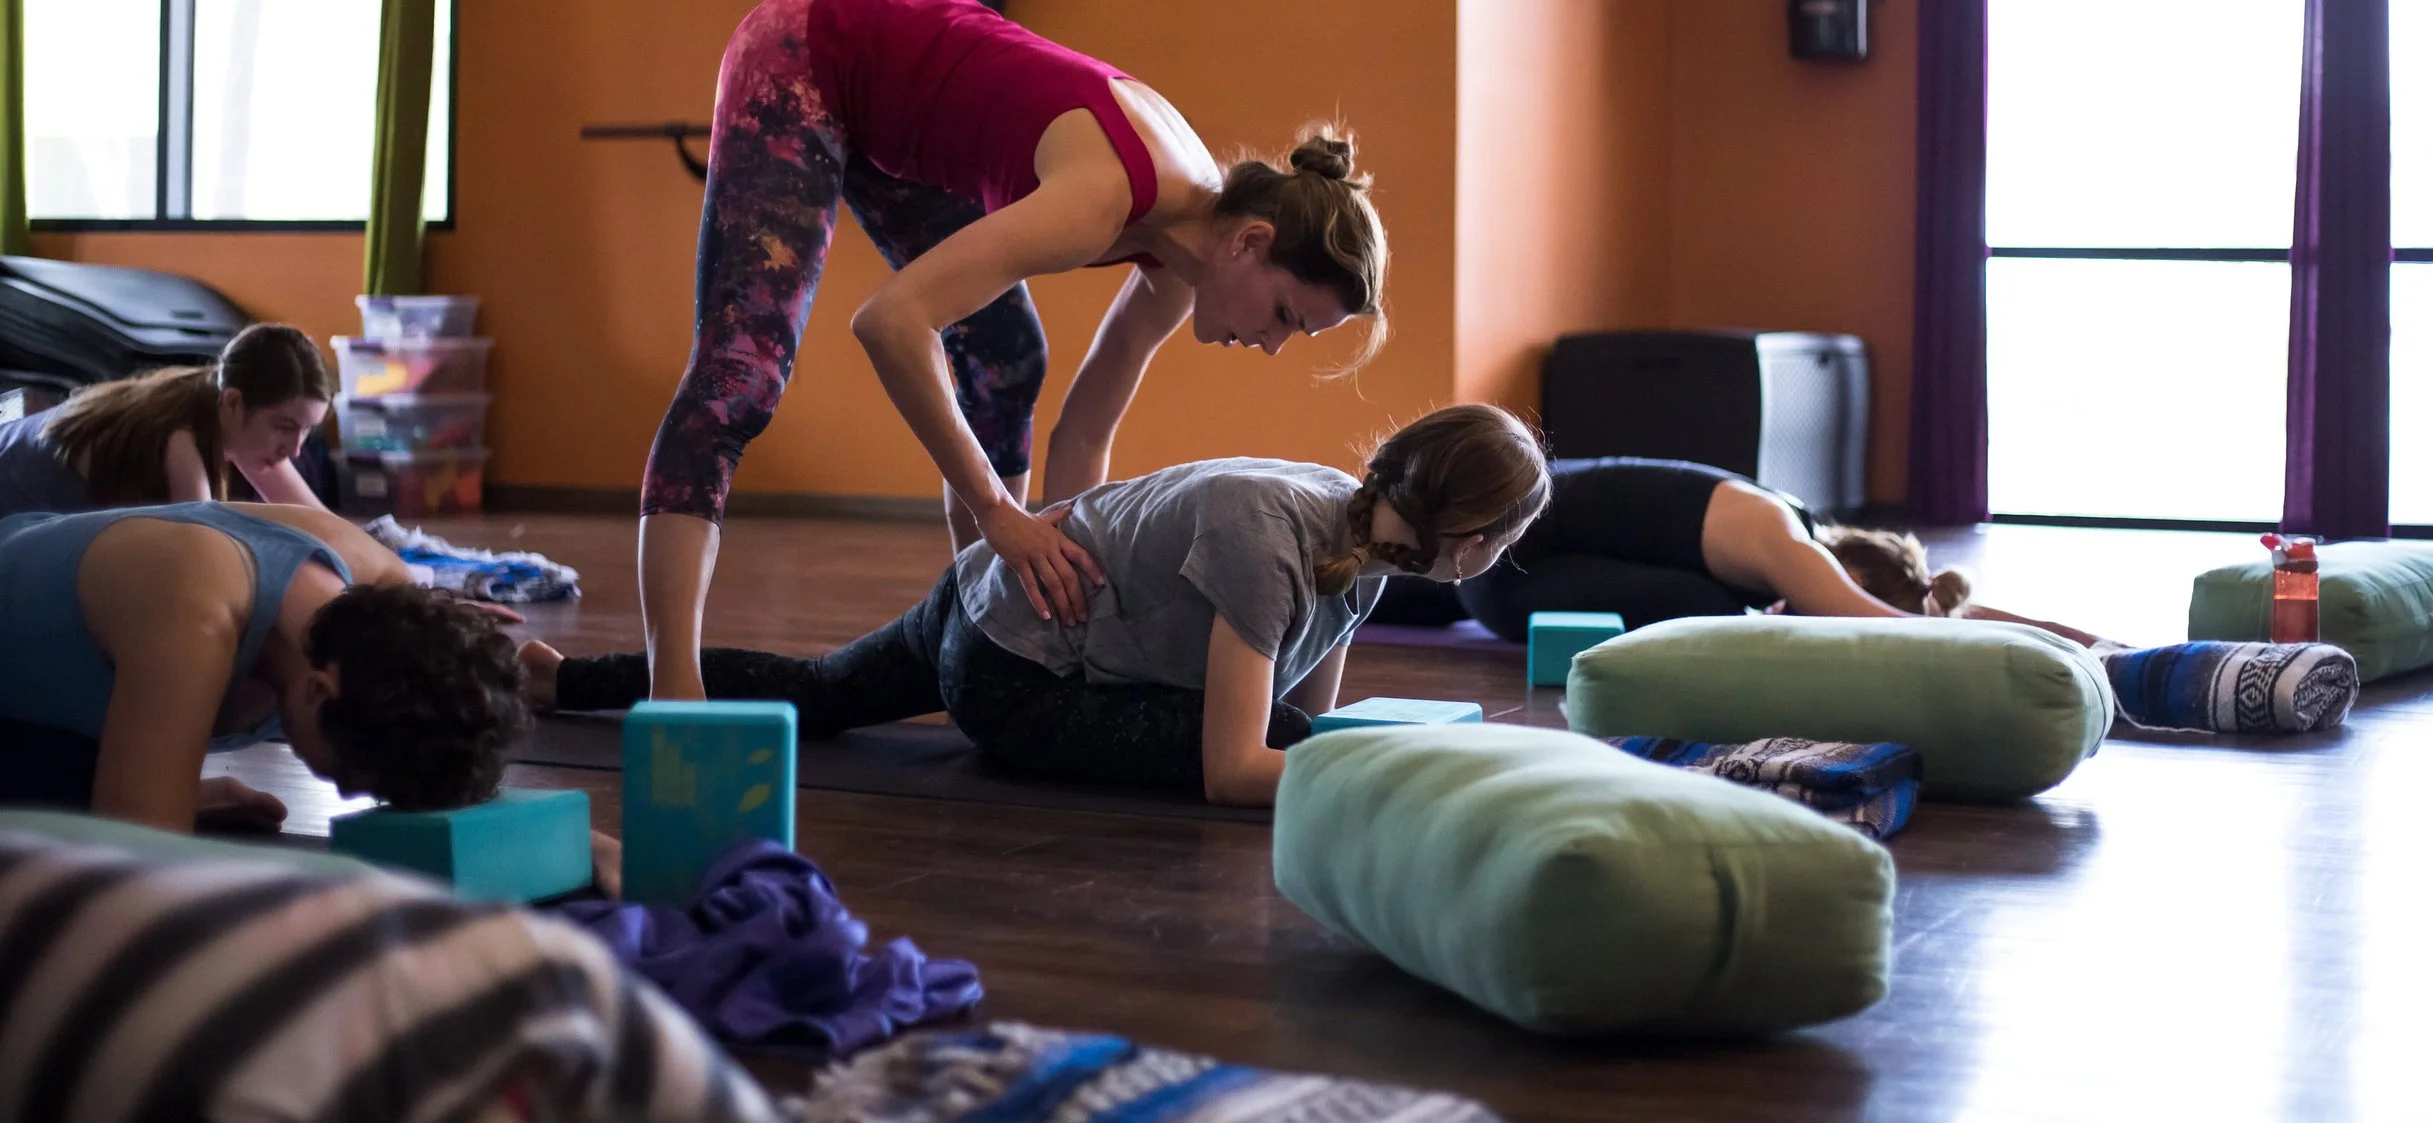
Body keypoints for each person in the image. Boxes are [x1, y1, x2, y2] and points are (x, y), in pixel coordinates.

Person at [639, 0, 1392, 703]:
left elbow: (1085, 430)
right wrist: (999, 514)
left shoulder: (1184, 251)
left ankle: (977, 630)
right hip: (812, 49)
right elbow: (890, 322)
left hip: (895, 116)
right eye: (1285, 315)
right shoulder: (1108, 195)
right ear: (1252, 241)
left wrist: (1075, 601)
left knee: (1006, 360)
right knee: (740, 379)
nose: (1270, 345)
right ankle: (673, 689)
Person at [537, 404, 1550, 807]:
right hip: (1009, 674)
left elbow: (1307, 716)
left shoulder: (1356, 527)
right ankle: (575, 679)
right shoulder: (1276, 540)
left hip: (983, 595)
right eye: (1505, 539)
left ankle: (564, 678)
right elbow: (1239, 765)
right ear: (1468, 535)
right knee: (1284, 744)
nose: (1500, 558)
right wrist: (1409, 785)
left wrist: (1335, 748)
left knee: (821, 689)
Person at [0, 500, 532, 834]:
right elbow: (131, 876)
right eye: (350, 776)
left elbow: (460, 709)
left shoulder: (384, 598)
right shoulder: (196, 614)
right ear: (318, 691)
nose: (347, 796)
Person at [1373, 457, 2106, 647]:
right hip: (1495, 558)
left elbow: (1939, 613)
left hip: (1492, 554)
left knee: (1731, 612)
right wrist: (2091, 651)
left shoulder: (1772, 517)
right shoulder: (1785, 544)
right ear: (1852, 573)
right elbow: (1910, 634)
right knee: (1719, 615)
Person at [0, 322, 333, 518]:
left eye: (307, 430)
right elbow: (205, 552)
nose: (295, 450)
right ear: (234, 402)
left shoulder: (218, 400)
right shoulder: (178, 441)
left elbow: (320, 524)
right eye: (284, 427)